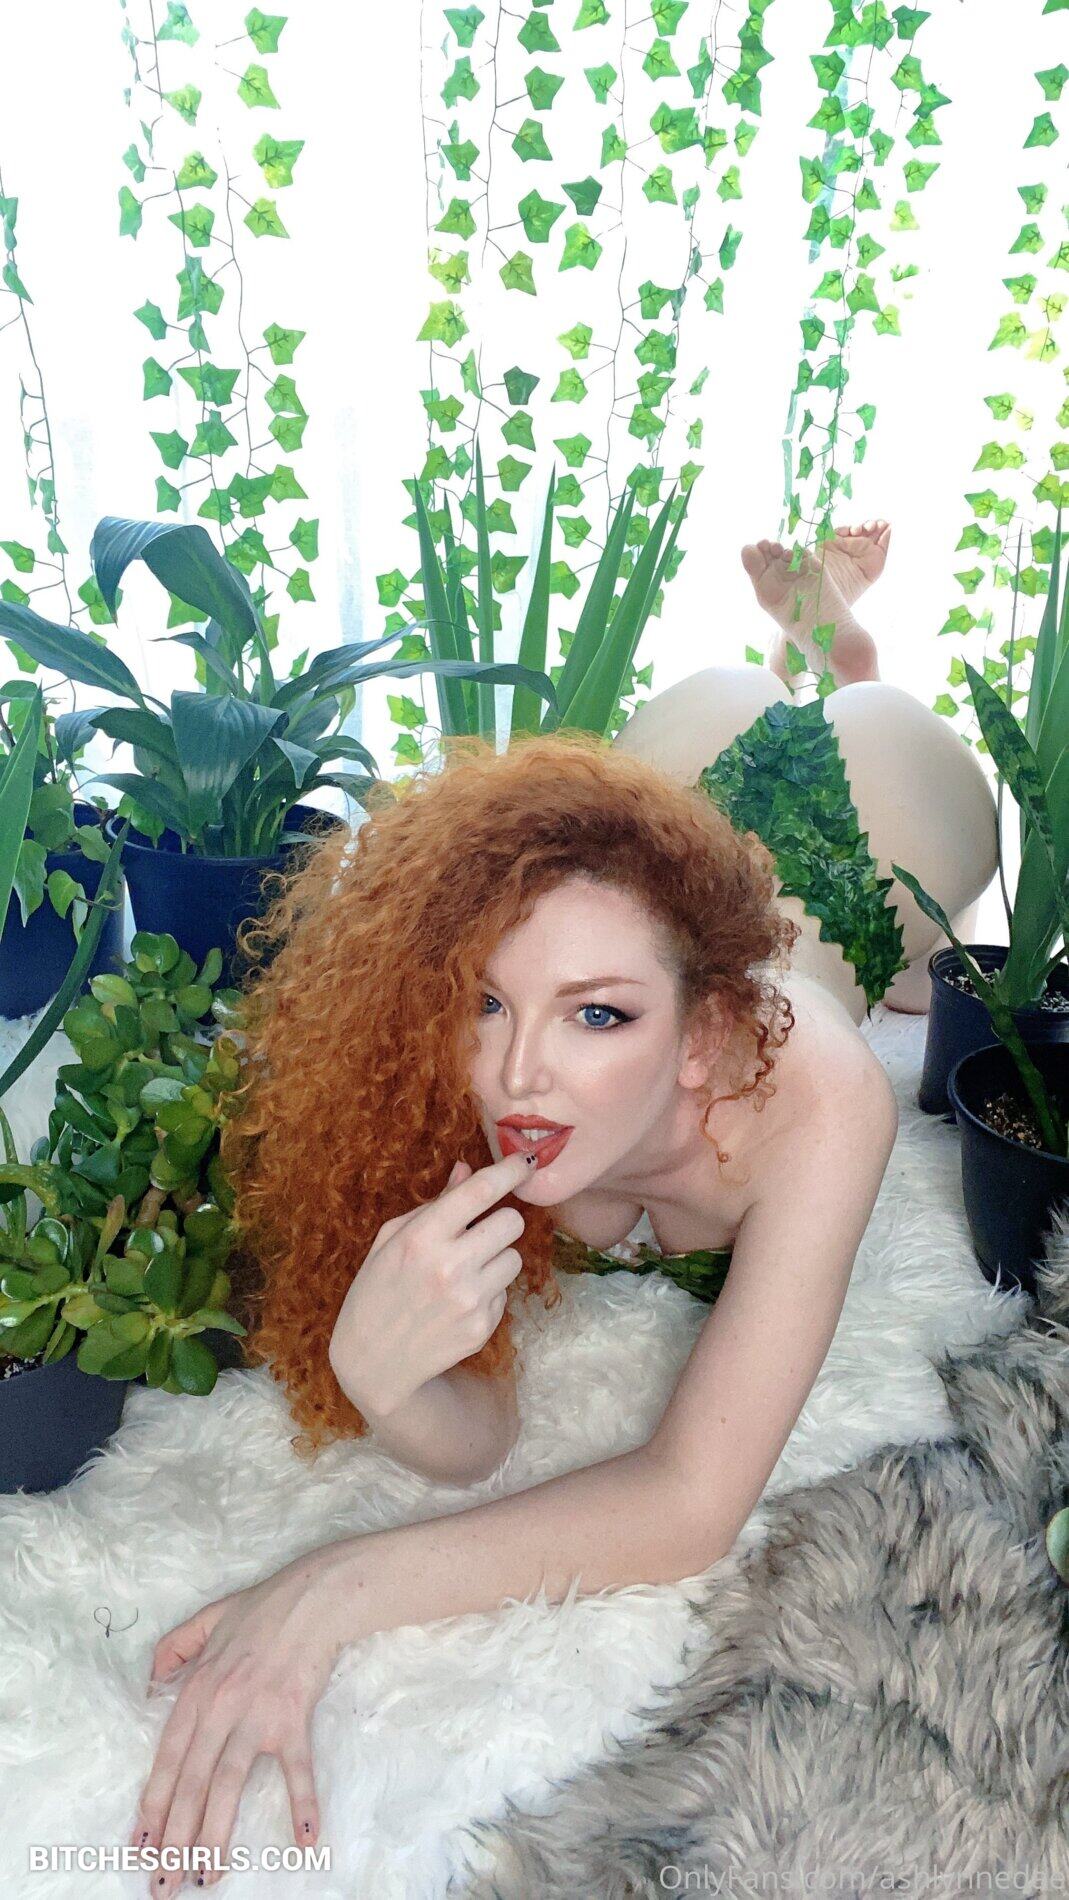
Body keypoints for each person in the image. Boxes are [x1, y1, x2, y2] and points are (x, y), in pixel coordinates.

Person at [128, 519, 999, 1894]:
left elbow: (688, 1505)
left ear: (702, 1035)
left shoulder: (822, 1106)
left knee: (887, 806)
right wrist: (383, 1378)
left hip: (865, 866)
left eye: (599, 1016)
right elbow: (477, 1431)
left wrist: (326, 1591)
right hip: (686, 860)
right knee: (658, 765)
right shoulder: (489, 1087)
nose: (518, 1074)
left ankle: (836, 637)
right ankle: (761, 667)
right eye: (487, 1001)